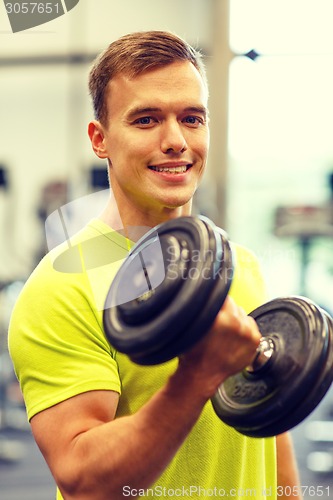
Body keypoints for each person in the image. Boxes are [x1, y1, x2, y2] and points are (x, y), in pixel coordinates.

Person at [8, 31, 301, 500]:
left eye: (191, 118)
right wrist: (197, 377)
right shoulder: (60, 290)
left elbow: (272, 433)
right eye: (146, 120)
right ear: (100, 139)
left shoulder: (240, 265)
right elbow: (85, 481)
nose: (176, 141)